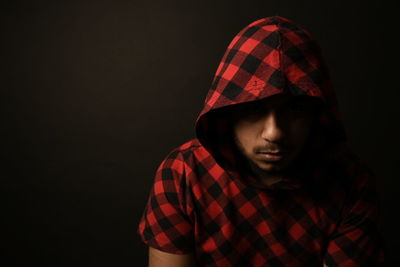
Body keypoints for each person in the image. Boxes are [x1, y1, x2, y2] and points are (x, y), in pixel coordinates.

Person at [137, 16, 385, 266]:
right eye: (254, 110)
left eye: (295, 111)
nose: (274, 133)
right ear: (228, 111)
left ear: (316, 115)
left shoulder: (351, 184)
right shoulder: (183, 174)